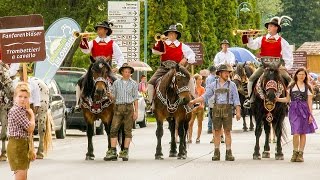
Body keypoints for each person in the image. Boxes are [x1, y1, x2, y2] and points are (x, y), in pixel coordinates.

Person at [189, 64, 241, 161]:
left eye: (229, 72)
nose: (228, 74)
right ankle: (216, 152)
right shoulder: (213, 85)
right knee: (216, 131)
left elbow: (236, 100)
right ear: (219, 73)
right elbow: (205, 97)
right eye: (225, 72)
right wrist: (193, 101)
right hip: (216, 109)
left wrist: (238, 112)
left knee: (227, 132)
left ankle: (229, 152)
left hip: (228, 109)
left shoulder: (232, 85)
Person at [243, 17, 293, 108]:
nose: (268, 28)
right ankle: (251, 100)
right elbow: (252, 45)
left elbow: (288, 55)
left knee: (290, 80)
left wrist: (287, 67)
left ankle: (290, 100)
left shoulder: (282, 41)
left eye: (270, 26)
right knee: (251, 80)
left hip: (277, 67)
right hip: (264, 66)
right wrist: (249, 37)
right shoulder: (261, 39)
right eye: (268, 26)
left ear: (276, 28)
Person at [75, 20, 124, 110]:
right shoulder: (93, 42)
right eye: (97, 29)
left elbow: (120, 57)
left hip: (107, 70)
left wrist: (117, 68)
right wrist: (84, 39)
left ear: (106, 30)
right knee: (80, 81)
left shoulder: (112, 43)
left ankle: (120, 103)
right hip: (94, 70)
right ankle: (78, 104)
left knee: (120, 83)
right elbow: (85, 50)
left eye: (100, 29)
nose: (98, 31)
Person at [147, 23, 196, 108]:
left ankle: (191, 101)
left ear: (176, 35)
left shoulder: (182, 45)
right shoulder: (163, 43)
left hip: (177, 68)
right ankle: (152, 104)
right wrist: (159, 42)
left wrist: (186, 59)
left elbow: (192, 55)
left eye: (173, 33)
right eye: (169, 33)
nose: (171, 35)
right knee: (151, 82)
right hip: (164, 68)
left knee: (190, 79)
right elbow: (155, 51)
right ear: (167, 35)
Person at [276, 67, 317, 162]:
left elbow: (309, 102)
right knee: (296, 132)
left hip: (304, 110)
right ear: (296, 75)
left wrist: (310, 115)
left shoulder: (308, 87)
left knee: (303, 132)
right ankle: (295, 152)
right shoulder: (291, 86)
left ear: (306, 75)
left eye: (303, 74)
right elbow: (287, 99)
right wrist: (277, 99)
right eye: (300, 74)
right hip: (294, 110)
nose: (302, 76)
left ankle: (300, 153)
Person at [104, 63, 139, 161]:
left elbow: (135, 99)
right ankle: (113, 150)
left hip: (129, 108)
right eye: (125, 72)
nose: (127, 73)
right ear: (122, 72)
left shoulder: (134, 84)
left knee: (127, 130)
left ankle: (125, 151)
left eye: (129, 72)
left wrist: (136, 112)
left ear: (131, 73)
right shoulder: (116, 83)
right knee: (113, 129)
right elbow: (113, 97)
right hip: (118, 108)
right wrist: (109, 95)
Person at [7, 82, 36, 180]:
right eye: (20, 96)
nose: (23, 99)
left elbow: (29, 133)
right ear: (15, 97)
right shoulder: (16, 111)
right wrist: (32, 115)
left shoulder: (23, 110)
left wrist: (31, 149)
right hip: (17, 146)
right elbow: (30, 128)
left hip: (23, 145)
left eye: (25, 97)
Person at [188, 74, 205, 144]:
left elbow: (203, 99)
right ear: (195, 80)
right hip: (192, 108)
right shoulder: (192, 89)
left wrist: (202, 106)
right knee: (190, 123)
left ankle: (198, 138)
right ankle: (190, 138)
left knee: (199, 123)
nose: (201, 81)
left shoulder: (202, 88)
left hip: (200, 108)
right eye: (199, 79)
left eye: (201, 79)